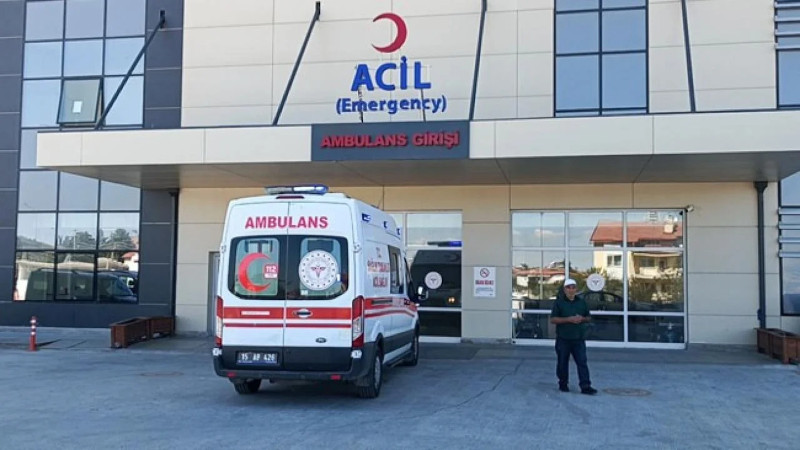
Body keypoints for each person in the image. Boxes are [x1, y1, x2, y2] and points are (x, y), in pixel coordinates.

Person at [550, 278, 598, 395]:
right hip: (563, 339)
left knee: (582, 362)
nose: (571, 290)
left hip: (578, 338)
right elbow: (553, 319)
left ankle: (585, 386)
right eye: (568, 288)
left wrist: (582, 319)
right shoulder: (559, 303)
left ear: (576, 289)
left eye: (573, 287)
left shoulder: (581, 302)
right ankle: (563, 383)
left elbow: (588, 317)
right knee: (562, 362)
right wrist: (568, 319)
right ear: (564, 289)